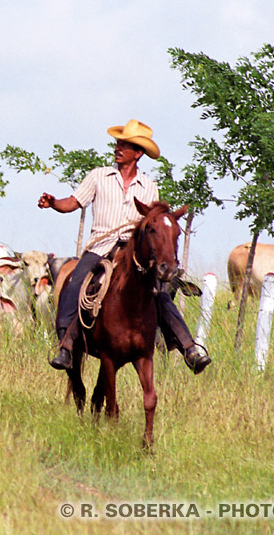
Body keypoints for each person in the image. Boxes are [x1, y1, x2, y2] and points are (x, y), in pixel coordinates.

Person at [39, 119, 211, 374]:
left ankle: (189, 348)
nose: (118, 148)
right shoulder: (99, 175)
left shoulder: (149, 186)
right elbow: (74, 202)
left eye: (124, 145)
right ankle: (65, 345)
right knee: (76, 282)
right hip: (100, 247)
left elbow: (152, 224)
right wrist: (54, 203)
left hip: (132, 252)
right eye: (118, 143)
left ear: (138, 153)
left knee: (160, 294)